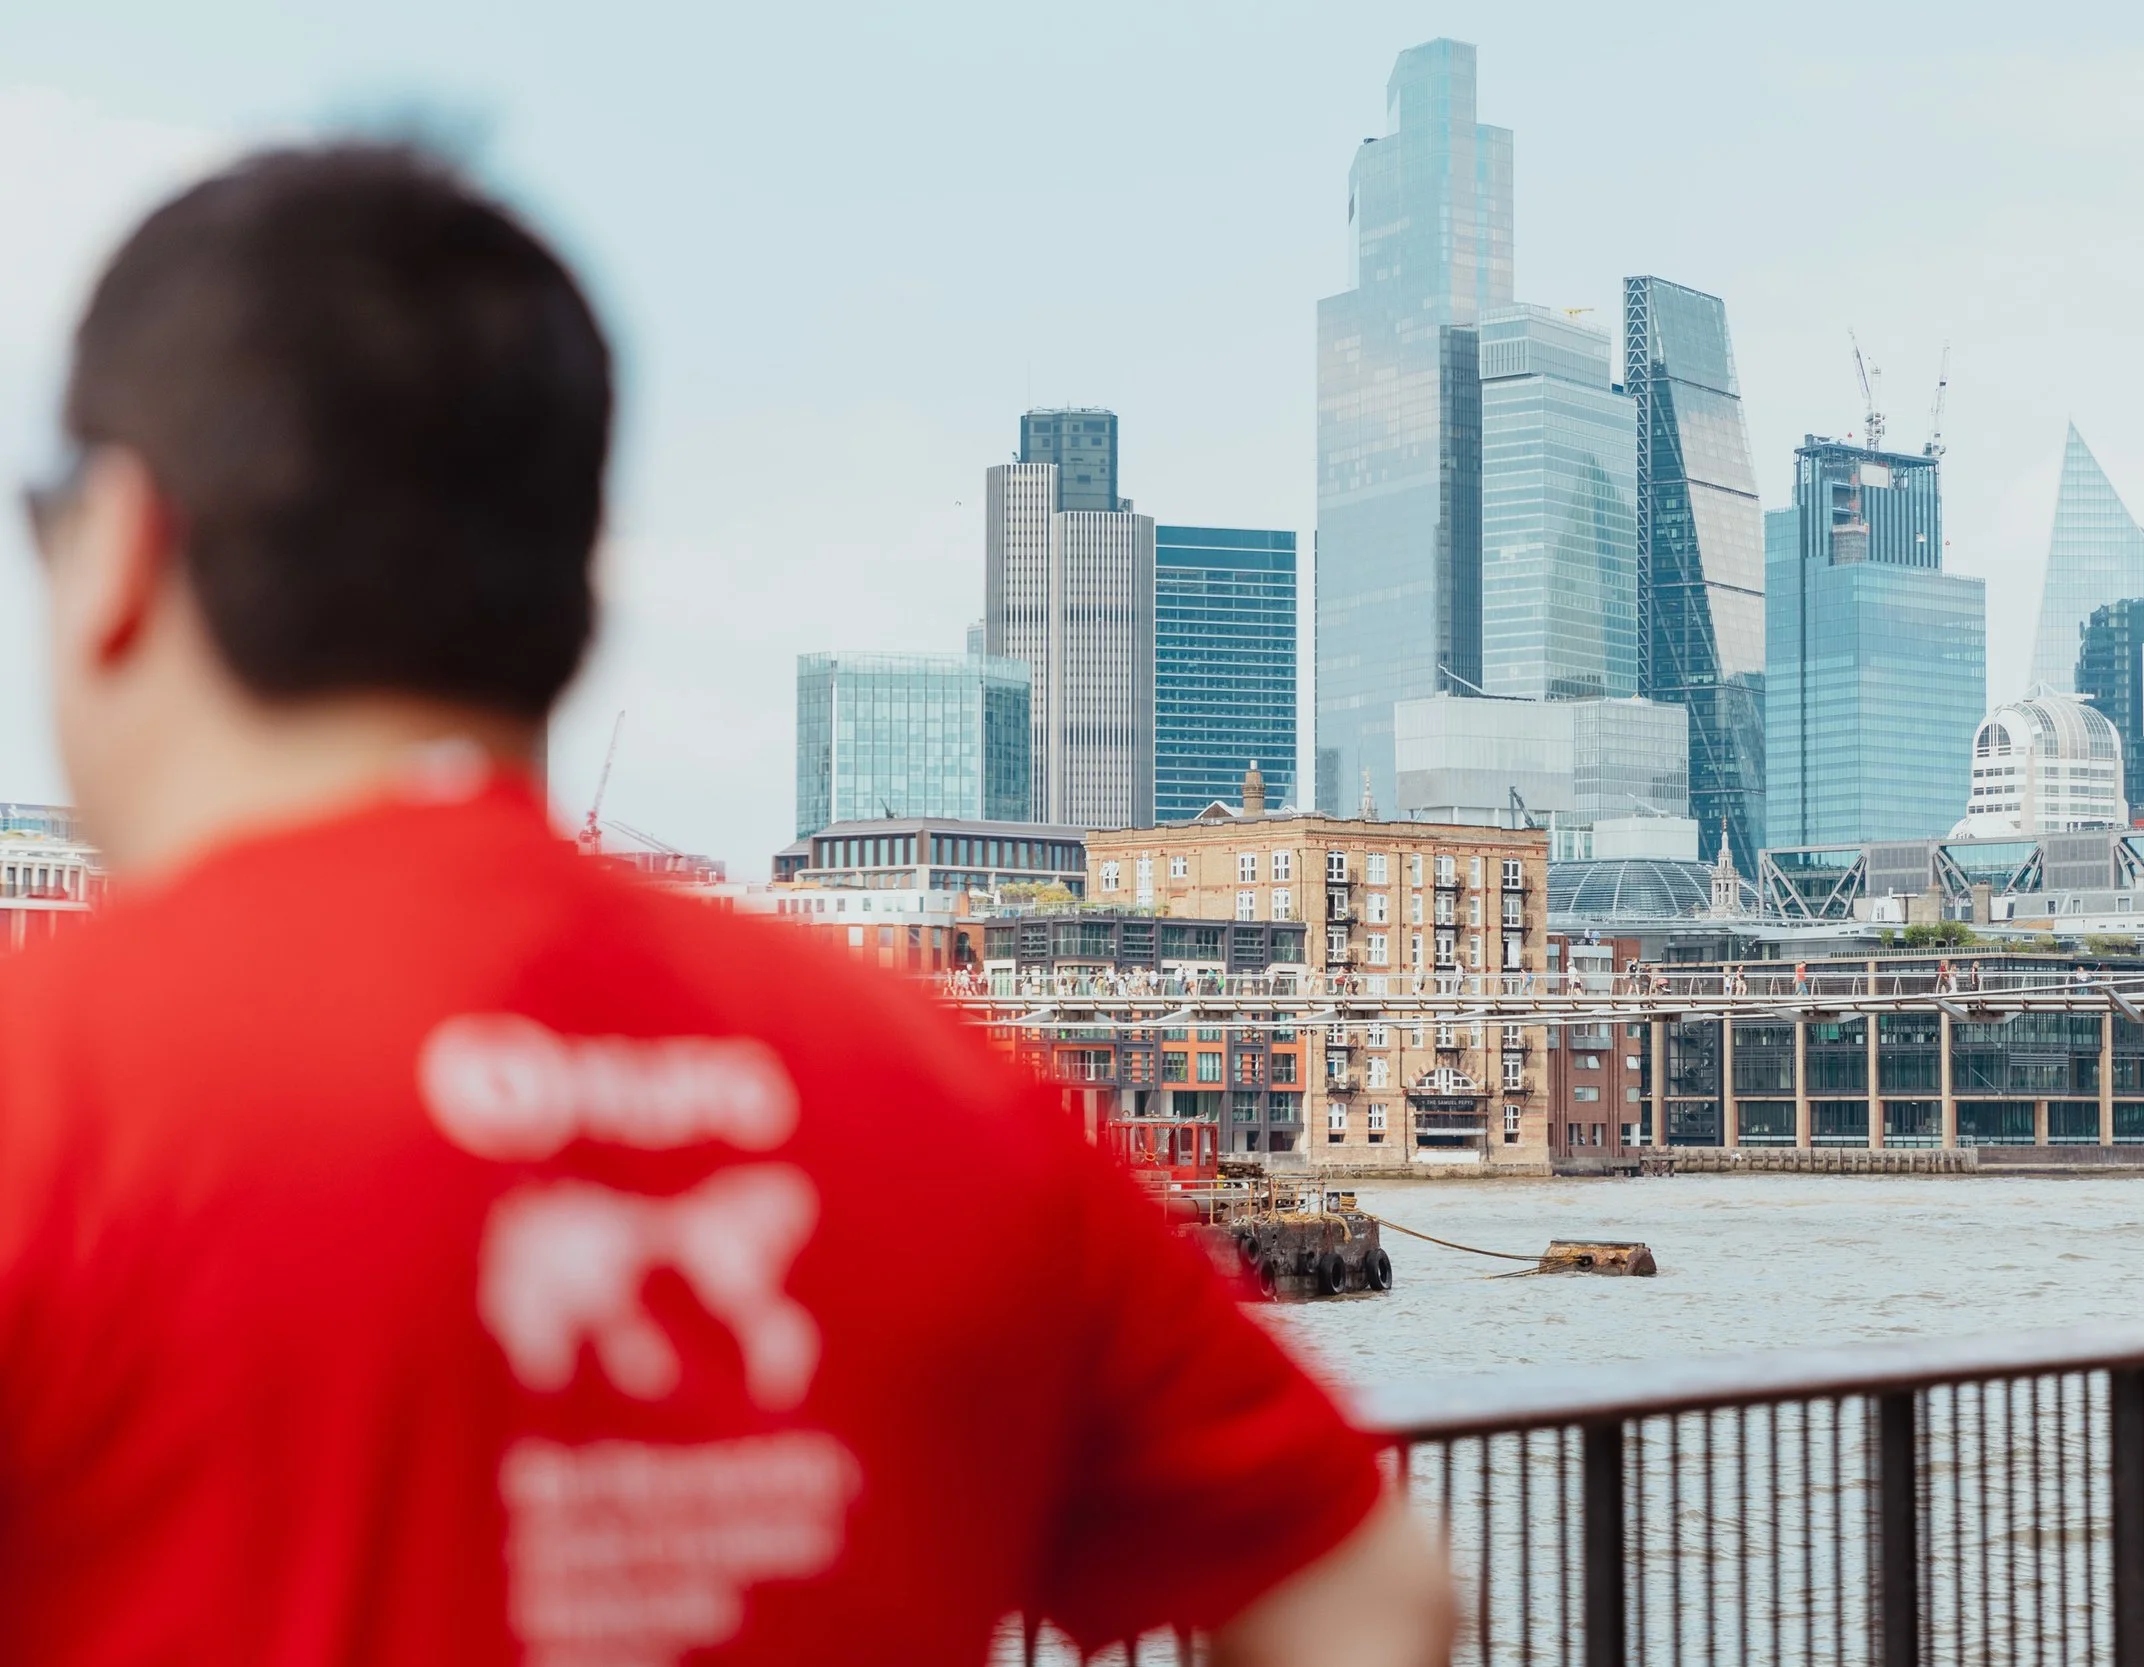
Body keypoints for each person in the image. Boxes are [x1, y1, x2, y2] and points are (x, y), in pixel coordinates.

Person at [3, 146, 1449, 1666]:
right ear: (568, 591)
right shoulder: (938, 1085)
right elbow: (1367, 1591)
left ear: (119, 546)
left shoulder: (46, 1084)